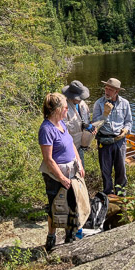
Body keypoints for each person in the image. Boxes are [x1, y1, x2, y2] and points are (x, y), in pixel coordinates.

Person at [39, 92, 86, 251]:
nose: (68, 110)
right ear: (57, 109)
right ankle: (51, 238)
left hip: (71, 171)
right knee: (55, 207)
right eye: (65, 107)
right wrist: (61, 178)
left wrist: (79, 162)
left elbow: (71, 143)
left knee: (72, 205)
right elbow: (48, 159)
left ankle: (70, 237)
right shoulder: (46, 129)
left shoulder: (61, 123)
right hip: (55, 175)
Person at [89, 78, 132, 196]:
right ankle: (108, 193)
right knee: (105, 170)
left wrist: (126, 130)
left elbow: (128, 121)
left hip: (120, 140)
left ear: (117, 91)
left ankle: (121, 193)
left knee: (121, 169)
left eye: (110, 89)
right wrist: (105, 114)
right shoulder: (99, 103)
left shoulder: (125, 103)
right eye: (106, 88)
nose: (106, 91)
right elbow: (94, 125)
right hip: (104, 140)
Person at [62, 80, 92, 150]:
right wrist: (81, 125)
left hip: (81, 143)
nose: (81, 99)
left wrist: (90, 125)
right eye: (78, 97)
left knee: (81, 161)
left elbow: (87, 117)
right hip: (69, 144)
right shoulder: (63, 107)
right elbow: (62, 126)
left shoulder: (83, 104)